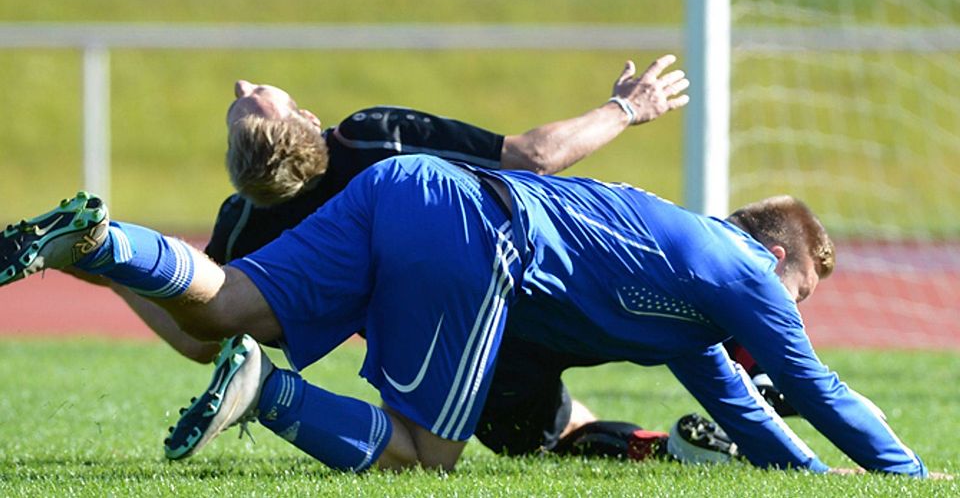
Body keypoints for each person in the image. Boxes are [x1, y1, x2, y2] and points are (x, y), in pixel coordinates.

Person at [0, 154, 933, 477]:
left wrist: (816, 475)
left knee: (230, 304)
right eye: (800, 294)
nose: (788, 313)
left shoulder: (694, 312)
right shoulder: (745, 273)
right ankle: (267, 397)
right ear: (778, 262)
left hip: (408, 189)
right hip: (472, 226)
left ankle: (99, 240)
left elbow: (750, 414)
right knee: (428, 452)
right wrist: (910, 475)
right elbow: (814, 385)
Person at [52, 55, 717, 462]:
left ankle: (119, 249)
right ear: (306, 118)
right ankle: (743, 400)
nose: (243, 78)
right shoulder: (371, 137)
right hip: (528, 292)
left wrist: (114, 278)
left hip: (425, 359)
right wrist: (628, 107)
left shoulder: (246, 219)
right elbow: (532, 156)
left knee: (535, 430)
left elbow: (203, 329)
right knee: (670, 327)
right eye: (251, 98)